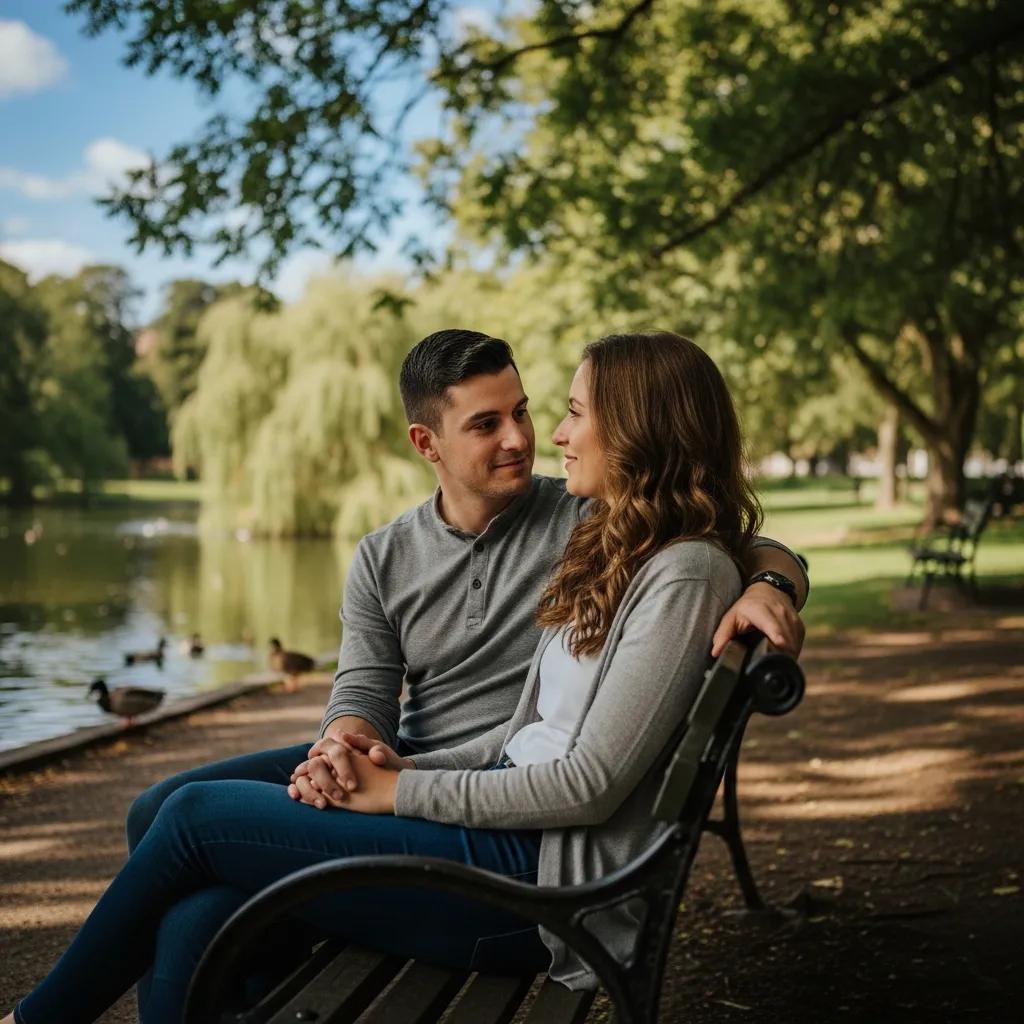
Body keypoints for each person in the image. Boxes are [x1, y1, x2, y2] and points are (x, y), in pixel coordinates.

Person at [4, 330, 806, 1024]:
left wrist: (772, 584)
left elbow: (730, 543)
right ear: (428, 444)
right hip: (448, 781)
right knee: (179, 865)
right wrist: (349, 742)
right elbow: (370, 686)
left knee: (191, 822)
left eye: (535, 411)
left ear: (636, 430)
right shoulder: (393, 553)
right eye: (488, 424)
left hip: (513, 848)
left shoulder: (594, 521)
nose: (529, 438)